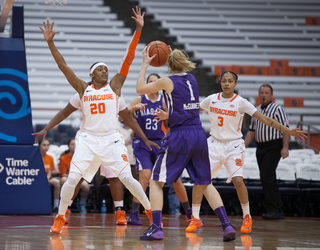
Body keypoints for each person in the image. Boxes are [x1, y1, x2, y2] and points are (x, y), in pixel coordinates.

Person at [39, 7, 159, 234]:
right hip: (88, 139)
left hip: (111, 139)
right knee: (72, 178)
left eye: (106, 69)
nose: (105, 71)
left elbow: (129, 57)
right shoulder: (83, 89)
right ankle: (60, 216)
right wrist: (50, 43)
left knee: (127, 178)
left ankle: (152, 213)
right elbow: (63, 66)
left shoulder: (115, 86)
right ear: (92, 74)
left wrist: (138, 29)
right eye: (100, 70)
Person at [136, 47, 236, 242]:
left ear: (168, 64)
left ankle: (156, 227)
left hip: (180, 135)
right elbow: (186, 107)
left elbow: (140, 89)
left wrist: (145, 64)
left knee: (156, 181)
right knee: (205, 183)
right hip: (198, 133)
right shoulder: (193, 79)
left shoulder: (167, 81)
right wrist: (169, 115)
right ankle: (227, 225)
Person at [198, 71, 307, 233]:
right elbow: (192, 113)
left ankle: (247, 216)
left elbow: (267, 120)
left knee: (238, 180)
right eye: (224, 81)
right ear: (220, 83)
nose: (227, 83)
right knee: (201, 180)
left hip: (234, 145)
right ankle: (194, 217)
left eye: (230, 81)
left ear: (235, 84)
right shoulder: (211, 99)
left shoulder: (242, 102)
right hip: (214, 143)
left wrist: (289, 131)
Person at [126, 73, 192, 225]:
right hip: (142, 143)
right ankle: (134, 213)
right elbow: (121, 117)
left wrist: (167, 117)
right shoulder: (140, 99)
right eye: (150, 81)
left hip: (161, 143)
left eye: (156, 82)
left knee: (175, 179)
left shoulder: (164, 101)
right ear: (147, 84)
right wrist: (132, 109)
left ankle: (189, 213)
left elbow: (172, 122)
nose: (153, 84)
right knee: (145, 176)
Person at [244, 84, 307, 220]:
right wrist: (242, 146)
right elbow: (251, 131)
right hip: (260, 147)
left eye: (266, 92)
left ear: (271, 95)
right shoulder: (255, 110)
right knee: (267, 177)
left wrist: (285, 147)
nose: (264, 95)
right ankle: (277, 209)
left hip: (274, 146)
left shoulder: (278, 109)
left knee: (267, 175)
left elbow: (286, 129)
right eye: (261, 92)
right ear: (259, 94)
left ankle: (274, 209)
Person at [59, 138, 89, 213]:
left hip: (79, 178)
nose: (74, 146)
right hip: (67, 177)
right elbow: (63, 173)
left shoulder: (82, 157)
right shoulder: (63, 158)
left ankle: (82, 204)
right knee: (63, 180)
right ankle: (65, 205)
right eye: (72, 144)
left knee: (86, 187)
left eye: (76, 144)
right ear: (68, 146)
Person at [39, 138, 61, 213]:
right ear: (39, 146)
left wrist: (47, 178)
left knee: (57, 183)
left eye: (48, 145)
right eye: (44, 145)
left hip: (47, 177)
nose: (46, 147)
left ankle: (56, 206)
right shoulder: (36, 157)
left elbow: (49, 171)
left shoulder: (50, 157)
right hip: (38, 178)